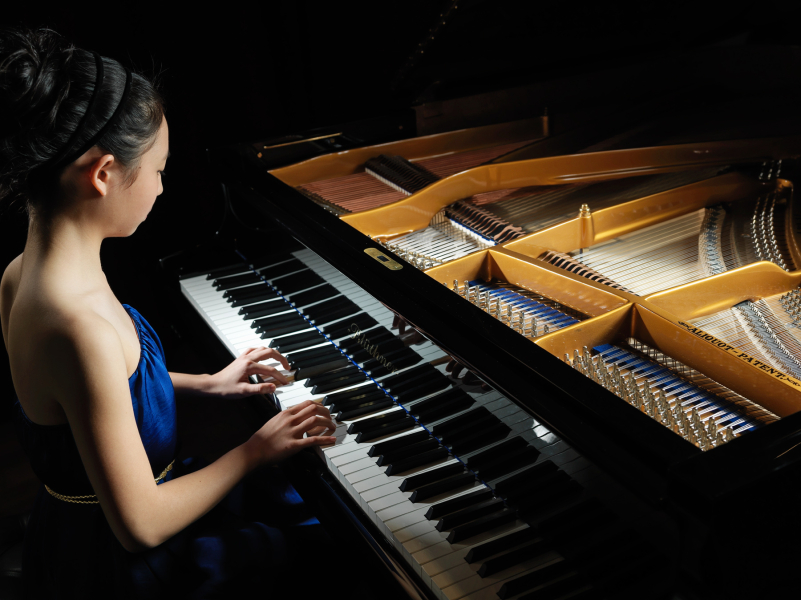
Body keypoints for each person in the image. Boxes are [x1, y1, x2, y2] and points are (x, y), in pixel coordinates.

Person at [0, 28, 338, 598]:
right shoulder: (76, 325)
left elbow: (94, 395)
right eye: (158, 169)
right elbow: (141, 525)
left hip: (92, 517)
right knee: (321, 540)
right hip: (124, 562)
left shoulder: (22, 272)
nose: (160, 188)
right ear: (103, 173)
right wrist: (257, 450)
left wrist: (208, 384)